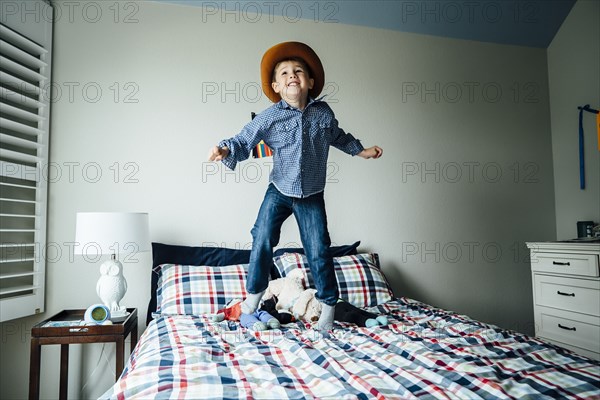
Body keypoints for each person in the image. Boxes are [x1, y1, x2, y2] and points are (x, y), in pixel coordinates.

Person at [209, 41, 383, 329]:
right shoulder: (270, 117)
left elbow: (338, 137)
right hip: (279, 190)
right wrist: (225, 150)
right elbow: (244, 139)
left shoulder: (323, 114)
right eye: (285, 73)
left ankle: (327, 310)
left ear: (310, 82)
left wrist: (361, 151)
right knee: (262, 235)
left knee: (318, 248)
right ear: (276, 86)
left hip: (311, 194)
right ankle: (253, 297)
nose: (292, 75)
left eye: (299, 71)